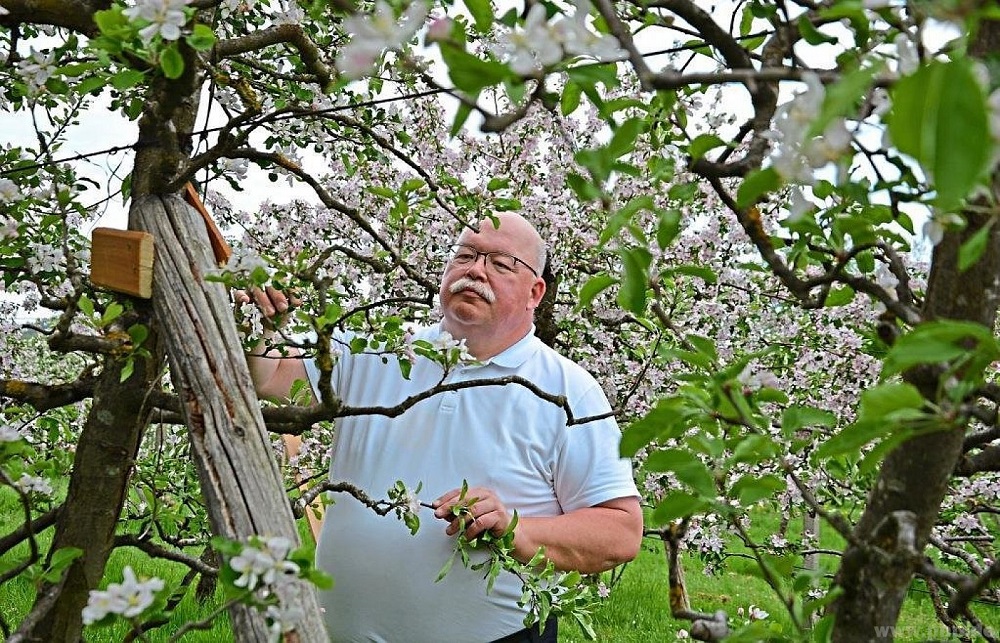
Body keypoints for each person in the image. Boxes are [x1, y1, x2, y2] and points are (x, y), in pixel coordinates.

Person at [246, 213, 642, 642]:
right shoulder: (379, 350)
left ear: (535, 292)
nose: (475, 269)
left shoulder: (567, 391)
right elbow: (268, 378)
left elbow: (619, 531)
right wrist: (260, 329)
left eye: (500, 262)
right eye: (465, 255)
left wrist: (517, 528)